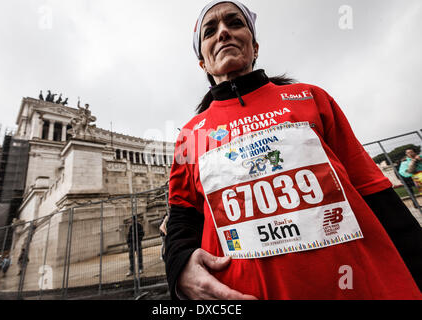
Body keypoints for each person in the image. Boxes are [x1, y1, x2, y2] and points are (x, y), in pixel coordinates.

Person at [165, 0, 422, 300]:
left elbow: (373, 190)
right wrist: (179, 268)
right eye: (211, 30)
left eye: (235, 23)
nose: (223, 33)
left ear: (255, 46)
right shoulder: (191, 135)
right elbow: (183, 218)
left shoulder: (310, 97)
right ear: (204, 64)